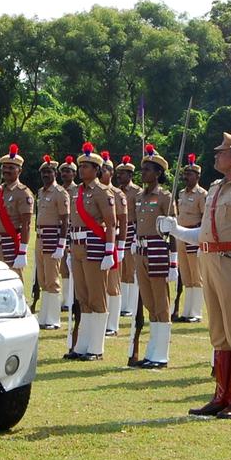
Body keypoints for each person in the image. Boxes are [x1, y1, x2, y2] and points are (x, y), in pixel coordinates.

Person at [159, 133, 231, 419]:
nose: (216, 156)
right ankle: (221, 395)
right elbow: (204, 234)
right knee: (219, 332)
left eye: (221, 152)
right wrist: (176, 230)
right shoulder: (217, 188)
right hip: (210, 260)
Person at [65, 143, 118, 361]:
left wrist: (109, 251)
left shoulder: (102, 192)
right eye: (81, 166)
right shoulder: (77, 191)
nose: (81, 170)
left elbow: (111, 223)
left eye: (87, 166)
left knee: (97, 297)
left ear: (96, 170)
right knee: (82, 297)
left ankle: (96, 347)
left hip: (94, 246)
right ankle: (82, 345)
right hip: (77, 246)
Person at [128, 144, 176, 368]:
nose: (143, 173)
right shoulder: (138, 196)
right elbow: (133, 223)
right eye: (143, 169)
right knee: (148, 301)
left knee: (160, 302)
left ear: (158, 173)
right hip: (140, 249)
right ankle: (151, 351)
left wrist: (173, 261)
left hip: (158, 248)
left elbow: (172, 229)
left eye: (148, 169)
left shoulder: (165, 197)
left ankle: (160, 354)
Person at [35, 154, 68, 329]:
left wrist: (61, 244)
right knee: (42, 279)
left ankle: (53, 319)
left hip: (52, 237)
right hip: (40, 237)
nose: (46, 175)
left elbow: (65, 219)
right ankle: (44, 316)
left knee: (52, 280)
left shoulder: (60, 193)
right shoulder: (41, 192)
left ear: (55, 173)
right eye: (43, 172)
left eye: (49, 172)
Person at [174, 154, 206, 322]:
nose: (187, 177)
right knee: (186, 275)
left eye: (190, 174)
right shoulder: (181, 193)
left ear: (198, 176)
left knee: (196, 275)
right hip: (181, 236)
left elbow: (204, 218)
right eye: (185, 174)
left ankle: (196, 312)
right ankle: (187, 311)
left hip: (194, 235)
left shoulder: (201, 194)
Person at [0, 144, 33, 276]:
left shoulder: (23, 193)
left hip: (10, 243)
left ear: (19, 171)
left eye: (11, 168)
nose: (6, 170)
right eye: (4, 167)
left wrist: (22, 251)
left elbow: (26, 224)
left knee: (13, 280)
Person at [100, 152, 128, 336]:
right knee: (98, 284)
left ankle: (112, 324)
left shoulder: (118, 194)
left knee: (112, 285)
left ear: (110, 172)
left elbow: (123, 221)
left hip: (113, 240)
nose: (101, 173)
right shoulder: (88, 191)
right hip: (95, 241)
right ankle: (101, 321)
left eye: (104, 170)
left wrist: (121, 246)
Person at [115, 156, 142, 318]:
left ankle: (130, 305)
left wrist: (136, 238)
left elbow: (139, 217)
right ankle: (122, 303)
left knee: (130, 269)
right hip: (119, 231)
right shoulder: (117, 191)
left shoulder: (137, 192)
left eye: (123, 174)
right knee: (121, 269)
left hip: (132, 230)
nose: (119, 176)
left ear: (130, 175)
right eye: (118, 174)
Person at [59, 156, 79, 312]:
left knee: (72, 266)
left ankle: (72, 299)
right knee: (62, 267)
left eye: (68, 171)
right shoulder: (58, 190)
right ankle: (65, 299)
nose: (64, 174)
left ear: (74, 173)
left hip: (72, 230)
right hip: (59, 230)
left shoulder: (78, 190)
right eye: (63, 171)